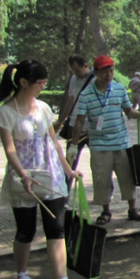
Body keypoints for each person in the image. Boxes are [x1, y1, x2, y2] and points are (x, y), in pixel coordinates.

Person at [0, 60, 90, 279]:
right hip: (25, 177)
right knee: (26, 231)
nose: (43, 86)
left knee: (56, 228)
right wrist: (23, 175)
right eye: (40, 82)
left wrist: (68, 170)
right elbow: (10, 150)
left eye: (45, 82)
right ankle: (21, 275)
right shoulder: (6, 112)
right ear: (23, 82)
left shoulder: (44, 108)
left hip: (52, 175)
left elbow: (54, 142)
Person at [68, 55, 140, 225]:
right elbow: (79, 120)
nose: (109, 74)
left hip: (121, 143)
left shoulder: (120, 90)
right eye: (104, 71)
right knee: (101, 179)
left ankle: (133, 208)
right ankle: (106, 211)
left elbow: (129, 112)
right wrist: (74, 145)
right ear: (96, 72)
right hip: (99, 146)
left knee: (128, 178)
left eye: (111, 70)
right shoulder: (86, 95)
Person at [54, 55, 94, 192]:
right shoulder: (73, 79)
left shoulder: (96, 79)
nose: (75, 73)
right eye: (73, 71)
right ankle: (64, 192)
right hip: (74, 125)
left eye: (77, 70)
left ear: (85, 65)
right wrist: (61, 121)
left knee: (97, 162)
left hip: (91, 127)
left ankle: (106, 193)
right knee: (70, 160)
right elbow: (71, 100)